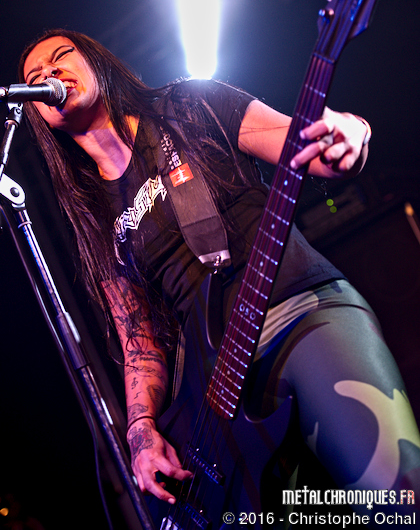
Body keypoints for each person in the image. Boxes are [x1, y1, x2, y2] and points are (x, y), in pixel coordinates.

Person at [19, 29, 420, 526]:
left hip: (297, 311)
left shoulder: (189, 106)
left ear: (96, 62)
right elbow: (139, 343)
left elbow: (303, 144)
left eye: (61, 57)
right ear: (36, 112)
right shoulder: (93, 215)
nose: (49, 73)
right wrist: (141, 432)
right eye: (35, 76)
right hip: (217, 390)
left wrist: (351, 132)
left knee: (395, 501)